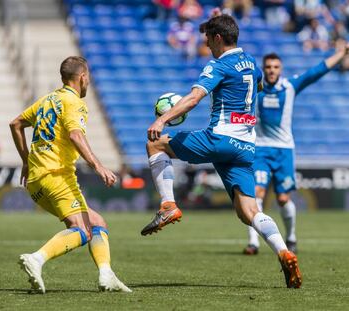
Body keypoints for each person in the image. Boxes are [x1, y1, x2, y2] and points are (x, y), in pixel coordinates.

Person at [140, 14, 302, 288]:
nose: (205, 43)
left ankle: (168, 205)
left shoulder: (218, 65)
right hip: (246, 147)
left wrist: (162, 119)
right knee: (247, 211)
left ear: (217, 38)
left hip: (220, 138)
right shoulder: (252, 63)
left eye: (207, 38)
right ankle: (284, 252)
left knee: (155, 144)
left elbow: (193, 98)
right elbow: (258, 87)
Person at [9, 56, 131, 294]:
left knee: (97, 224)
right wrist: (99, 166)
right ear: (83, 77)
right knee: (82, 230)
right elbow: (76, 135)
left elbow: (15, 124)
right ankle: (37, 259)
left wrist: (26, 160)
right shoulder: (73, 102)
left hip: (36, 180)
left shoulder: (47, 100)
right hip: (57, 175)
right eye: (89, 79)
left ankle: (106, 275)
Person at [243, 41, 349, 256]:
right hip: (261, 149)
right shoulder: (256, 89)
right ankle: (253, 243)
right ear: (264, 69)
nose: (271, 70)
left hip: (284, 151)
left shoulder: (290, 87)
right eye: (268, 67)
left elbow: (316, 72)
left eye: (275, 67)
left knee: (283, 199)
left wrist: (340, 55)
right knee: (256, 195)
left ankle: (291, 237)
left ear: (280, 69)